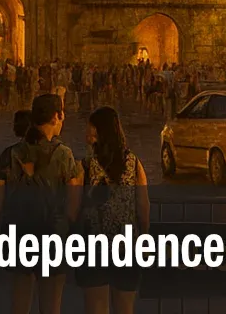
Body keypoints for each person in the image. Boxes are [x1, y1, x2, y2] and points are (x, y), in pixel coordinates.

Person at [0, 95, 82, 314]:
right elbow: (73, 205)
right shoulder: (64, 155)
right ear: (56, 117)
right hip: (53, 237)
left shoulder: (9, 154)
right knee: (51, 307)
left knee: (19, 306)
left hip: (18, 236)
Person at [77, 107, 150, 314]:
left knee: (95, 307)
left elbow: (73, 208)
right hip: (127, 246)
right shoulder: (134, 163)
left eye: (90, 126)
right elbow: (143, 207)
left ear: (98, 132)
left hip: (93, 246)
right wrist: (144, 237)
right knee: (125, 308)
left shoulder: (85, 165)